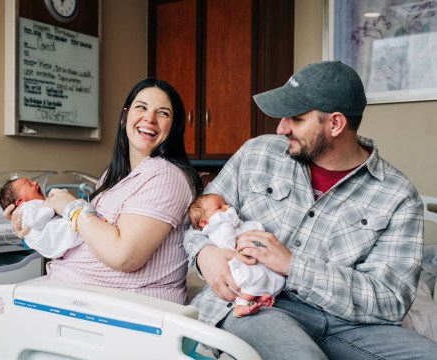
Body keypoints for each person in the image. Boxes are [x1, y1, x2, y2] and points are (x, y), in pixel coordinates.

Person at [184, 61, 437, 359]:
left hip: (350, 325)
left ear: (335, 124)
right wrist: (205, 254)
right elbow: (197, 223)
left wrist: (294, 266)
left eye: (296, 118)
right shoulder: (257, 154)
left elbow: (391, 300)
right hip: (259, 306)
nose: (281, 127)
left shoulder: (397, 195)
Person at [0, 78, 203, 354]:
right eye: (141, 107)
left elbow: (124, 255)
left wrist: (73, 207)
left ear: (173, 128)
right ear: (125, 117)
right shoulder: (115, 176)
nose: (149, 118)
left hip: (127, 306)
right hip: (82, 295)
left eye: (162, 113)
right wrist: (34, 230)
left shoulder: (167, 175)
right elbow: (85, 237)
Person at [188, 193, 285, 318]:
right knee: (255, 278)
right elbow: (227, 242)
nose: (227, 207)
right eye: (219, 208)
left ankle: (255, 300)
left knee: (273, 277)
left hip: (247, 260)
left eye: (226, 204)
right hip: (233, 264)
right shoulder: (217, 227)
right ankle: (241, 305)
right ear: (204, 222)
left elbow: (247, 228)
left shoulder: (231, 222)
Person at [0, 177, 92, 259]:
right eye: (29, 184)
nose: (35, 183)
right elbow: (36, 221)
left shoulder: (32, 209)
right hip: (64, 237)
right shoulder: (27, 207)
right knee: (82, 217)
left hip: (57, 248)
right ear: (20, 202)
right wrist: (51, 205)